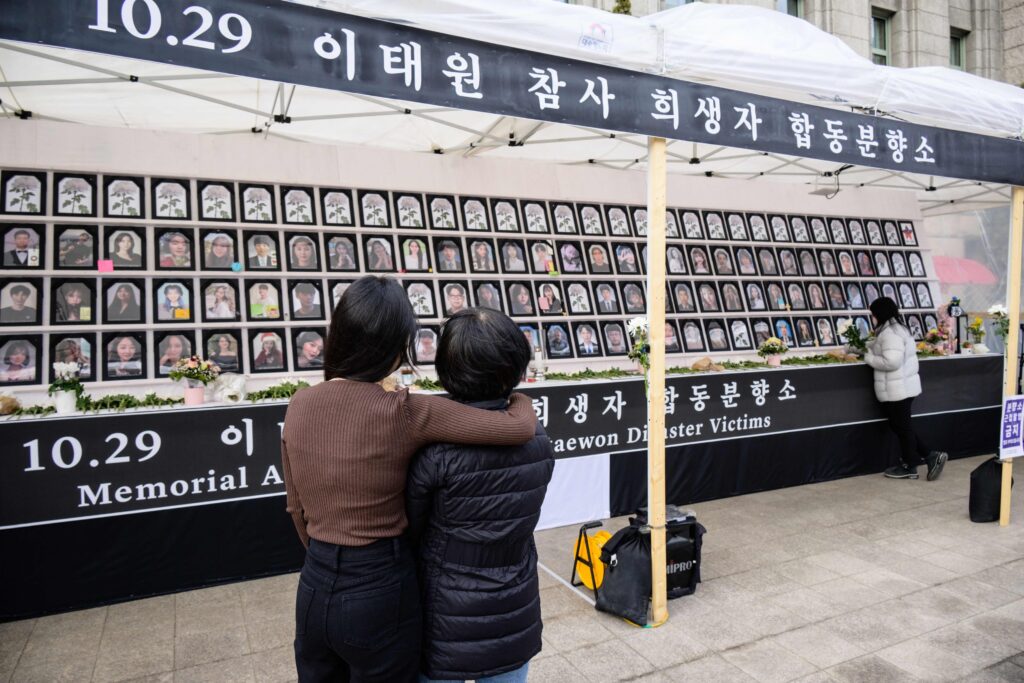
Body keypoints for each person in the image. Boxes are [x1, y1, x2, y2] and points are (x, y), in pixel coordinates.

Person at [281, 276, 537, 682]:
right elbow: (516, 428)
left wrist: (329, 559)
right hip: (378, 586)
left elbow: (295, 507)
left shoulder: (299, 403)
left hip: (314, 583)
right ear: (396, 346)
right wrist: (519, 395)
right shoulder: (403, 411)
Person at [406, 308, 554, 683]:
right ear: (517, 369)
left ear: (447, 370)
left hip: (445, 613)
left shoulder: (435, 451)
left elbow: (411, 527)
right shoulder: (538, 441)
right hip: (513, 605)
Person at [862, 297, 948, 481]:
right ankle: (930, 456)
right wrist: (860, 347)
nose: (873, 318)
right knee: (900, 426)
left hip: (897, 388)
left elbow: (891, 362)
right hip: (901, 387)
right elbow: (881, 347)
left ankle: (912, 465)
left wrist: (867, 358)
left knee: (902, 427)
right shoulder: (894, 329)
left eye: (873, 314)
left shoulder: (890, 333)